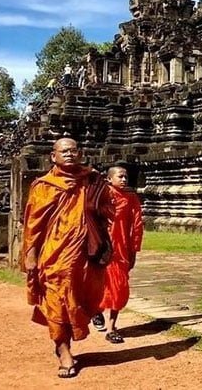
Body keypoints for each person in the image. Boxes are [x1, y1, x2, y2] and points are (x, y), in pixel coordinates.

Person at [21, 138, 114, 378]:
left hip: (85, 255)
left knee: (80, 299)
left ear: (80, 154)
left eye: (73, 150)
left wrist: (99, 206)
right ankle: (63, 351)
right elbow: (33, 224)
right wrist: (30, 254)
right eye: (64, 151)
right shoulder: (44, 186)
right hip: (54, 255)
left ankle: (66, 339)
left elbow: (108, 209)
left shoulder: (92, 180)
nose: (69, 154)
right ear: (53, 156)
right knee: (56, 300)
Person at [92, 166, 143, 343]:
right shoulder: (100, 195)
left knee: (119, 287)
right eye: (120, 177)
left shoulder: (131, 198)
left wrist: (134, 249)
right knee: (99, 285)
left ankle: (111, 328)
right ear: (109, 179)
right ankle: (96, 311)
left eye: (126, 177)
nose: (124, 180)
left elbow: (137, 225)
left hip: (121, 249)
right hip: (101, 247)